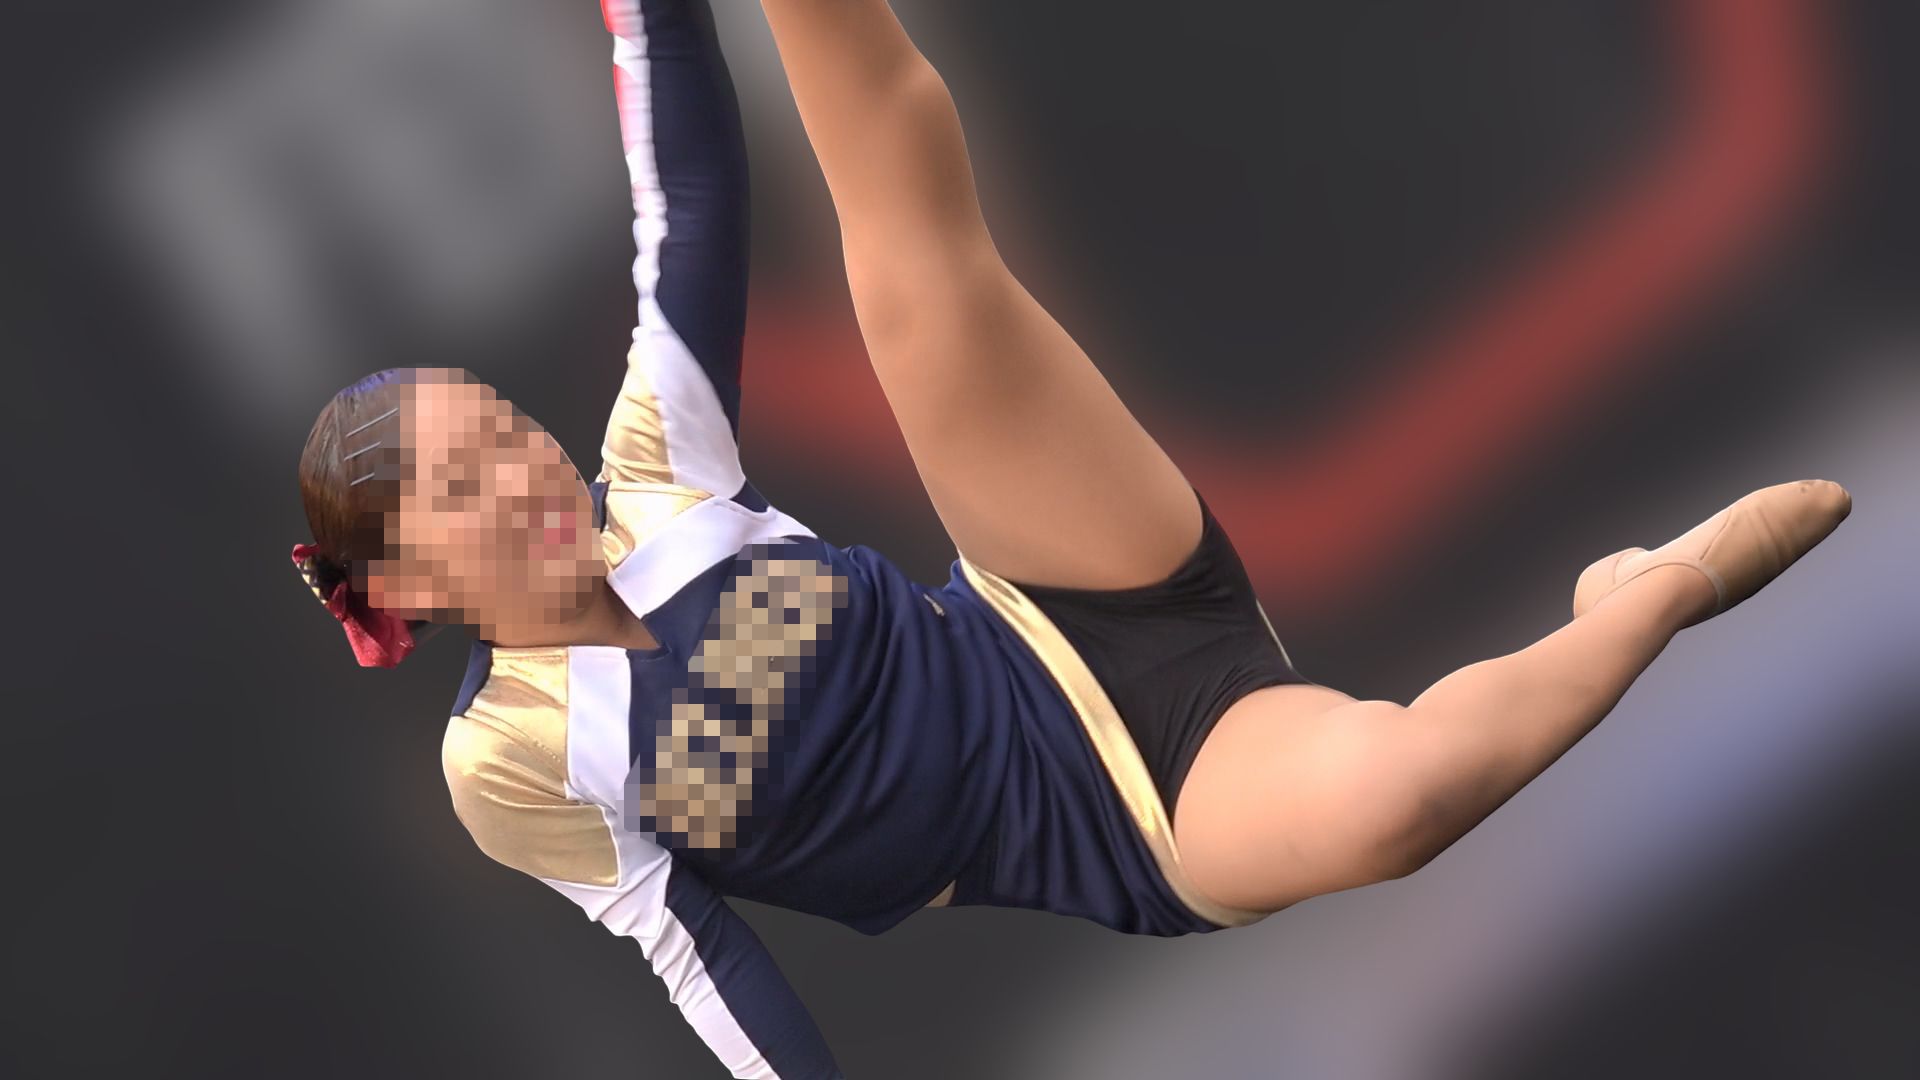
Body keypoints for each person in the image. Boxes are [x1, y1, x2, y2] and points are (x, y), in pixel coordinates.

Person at [289, 2, 1852, 1077]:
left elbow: (683, 199)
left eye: (506, 429)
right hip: (1126, 819)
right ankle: (1653, 596)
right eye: (465, 484)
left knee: (914, 258)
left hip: (1047, 588)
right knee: (1402, 798)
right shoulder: (514, 762)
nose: (524, 468)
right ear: (410, 582)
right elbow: (702, 960)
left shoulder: (652, 467)